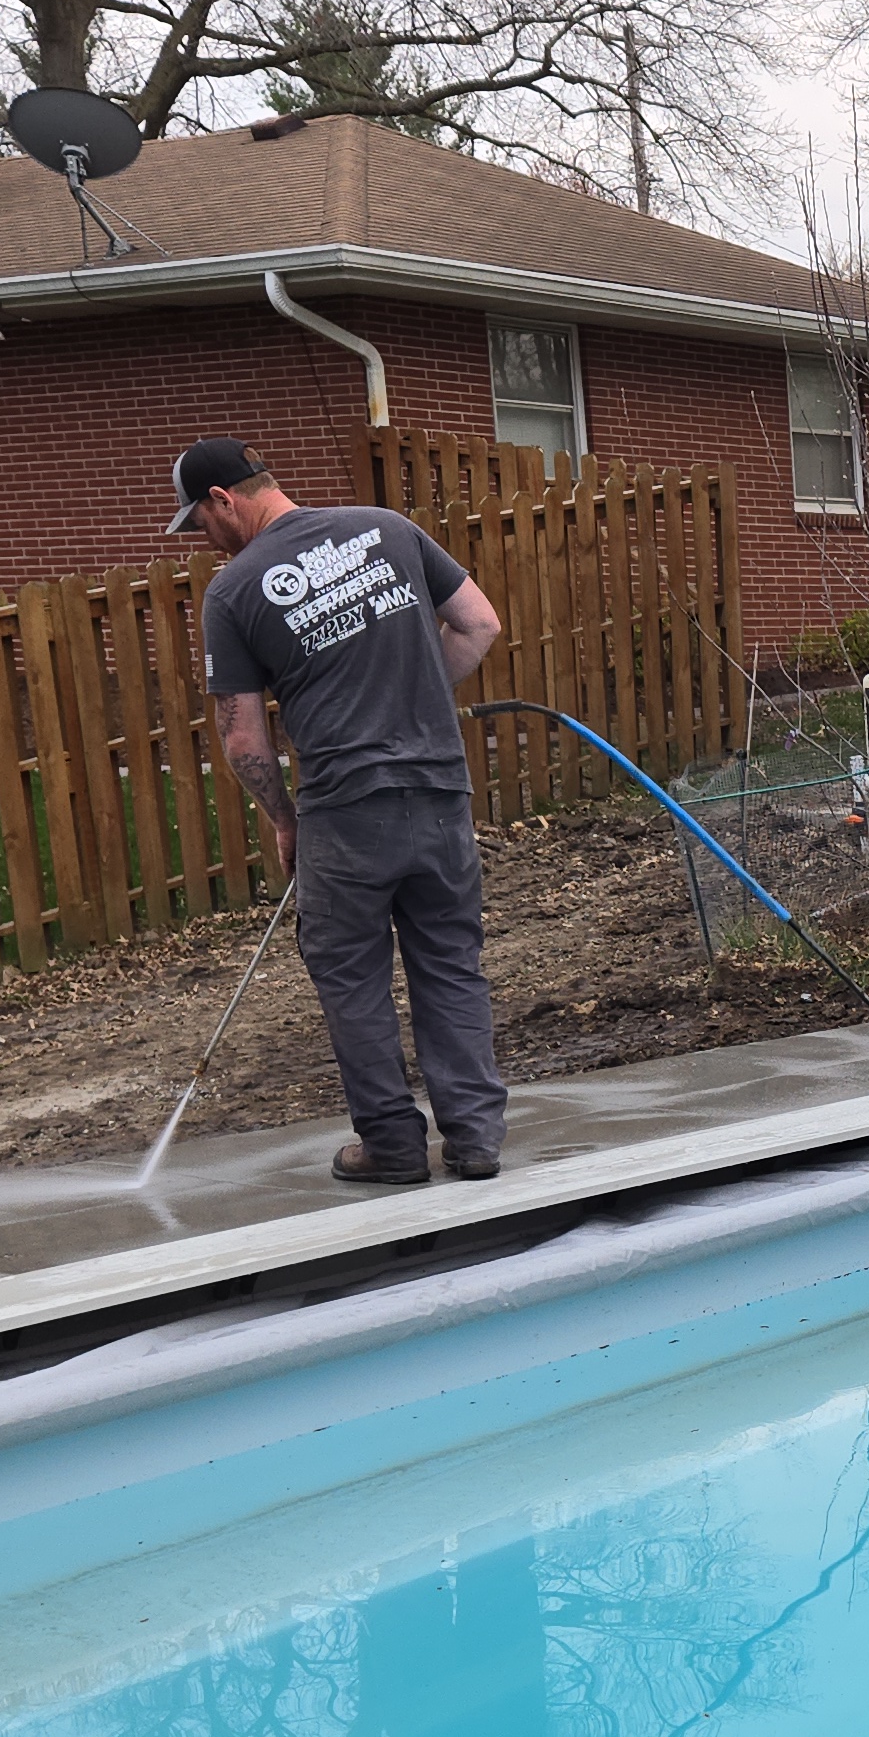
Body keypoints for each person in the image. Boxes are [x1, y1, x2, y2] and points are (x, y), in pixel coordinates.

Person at [171, 436, 511, 1185]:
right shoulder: (388, 527)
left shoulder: (233, 591)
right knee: (450, 964)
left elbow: (241, 736)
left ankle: (391, 1147)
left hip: (345, 812)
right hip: (439, 795)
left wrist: (283, 819)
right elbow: (479, 623)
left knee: (351, 977)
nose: (204, 539)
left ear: (224, 499)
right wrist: (415, 695)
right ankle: (476, 1138)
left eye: (200, 522)